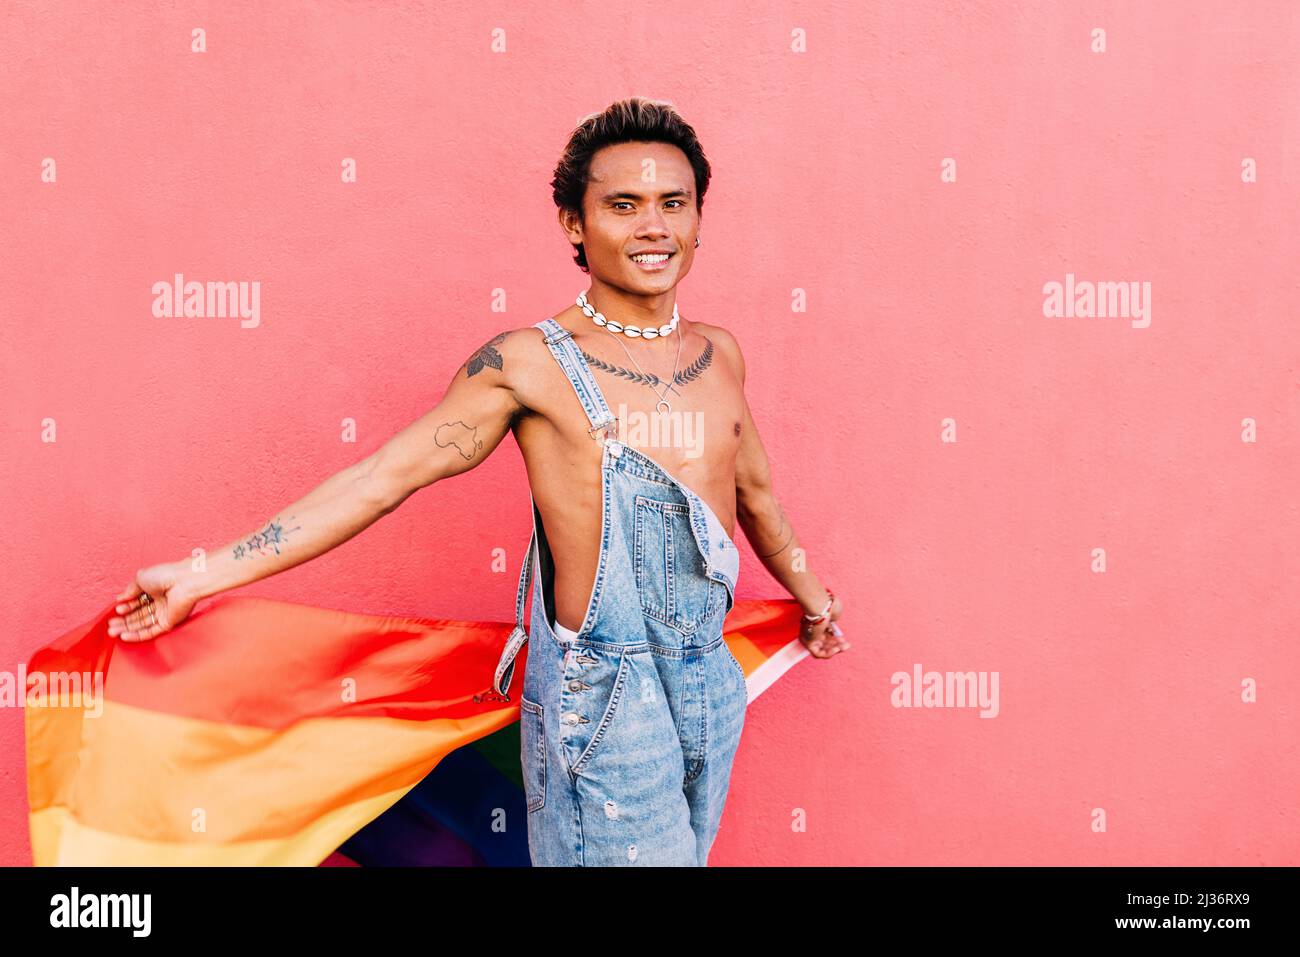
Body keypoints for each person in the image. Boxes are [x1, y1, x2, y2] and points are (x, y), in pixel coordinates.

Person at [107, 96, 847, 866]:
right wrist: (202, 573)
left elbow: (754, 494)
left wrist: (813, 597)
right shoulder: (528, 364)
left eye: (673, 203)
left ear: (698, 216)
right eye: (623, 205)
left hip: (708, 681)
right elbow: (379, 478)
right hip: (607, 697)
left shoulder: (719, 354)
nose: (653, 227)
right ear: (573, 222)